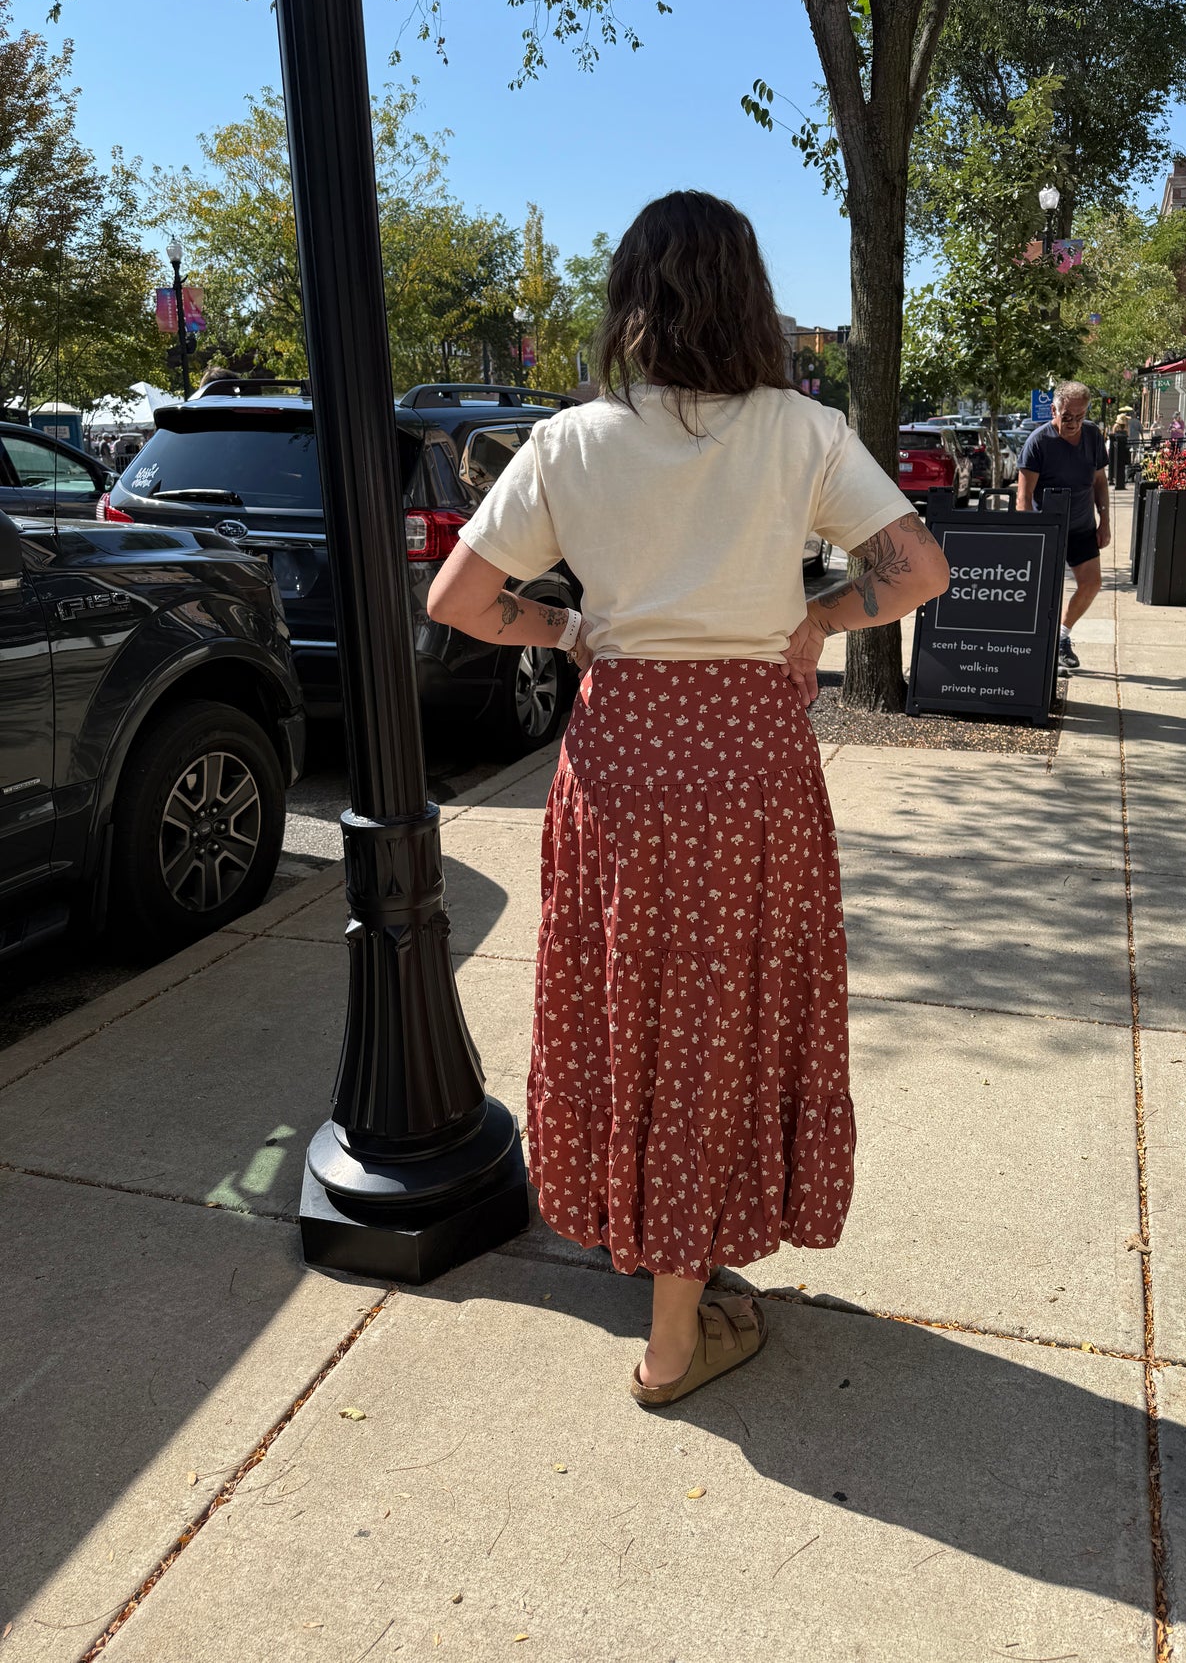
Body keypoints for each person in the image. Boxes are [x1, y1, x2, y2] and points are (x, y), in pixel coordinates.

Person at [426, 191, 948, 1407]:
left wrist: (565, 625)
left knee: (631, 1008)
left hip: (620, 763)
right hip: (750, 766)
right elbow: (916, 567)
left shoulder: (568, 442)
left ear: (631, 304)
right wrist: (816, 618)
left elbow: (455, 598)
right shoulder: (799, 431)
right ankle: (675, 1332)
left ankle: (662, 1259)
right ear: (746, 300)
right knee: (724, 1017)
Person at [1016, 379, 1110, 670]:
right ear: (1054, 410)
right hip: (1049, 527)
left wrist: (1104, 520)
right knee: (1045, 591)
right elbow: (1024, 495)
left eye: (1080, 417)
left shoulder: (1093, 436)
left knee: (1091, 584)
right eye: (1067, 416)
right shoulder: (1039, 442)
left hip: (1082, 524)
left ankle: (1061, 637)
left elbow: (1099, 481)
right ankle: (1033, 646)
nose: (1073, 423)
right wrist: (1030, 536)